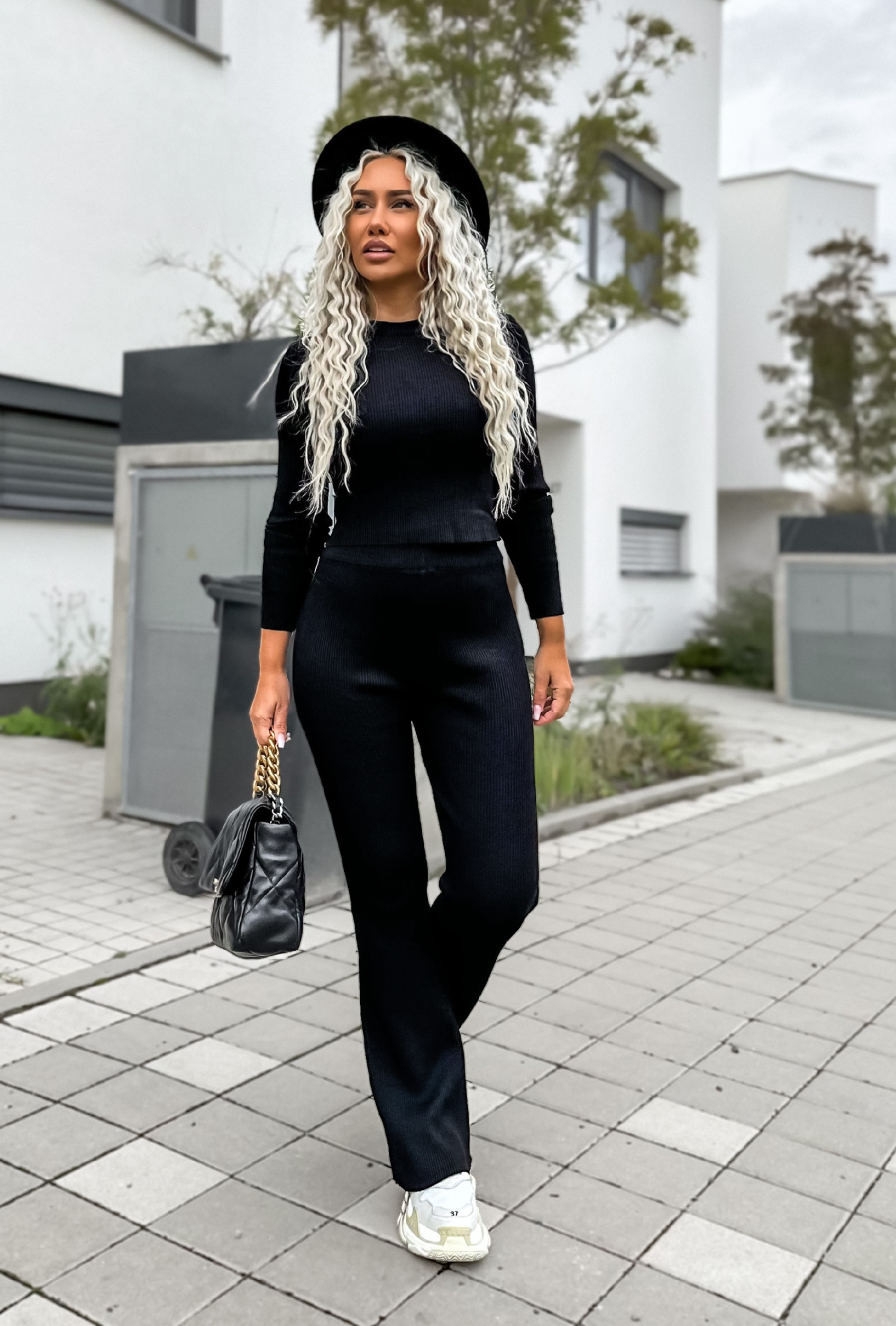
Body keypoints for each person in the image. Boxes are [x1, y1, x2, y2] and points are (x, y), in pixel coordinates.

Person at [249, 116, 573, 1263]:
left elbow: (524, 496)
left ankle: (406, 1036)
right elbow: (292, 519)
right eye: (359, 204)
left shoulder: (493, 343)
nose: (376, 220)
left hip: (475, 639)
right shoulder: (315, 360)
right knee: (386, 894)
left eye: (398, 202)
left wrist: (551, 633)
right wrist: (271, 664)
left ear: (436, 225)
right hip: (347, 643)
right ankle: (435, 1172)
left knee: (499, 883)